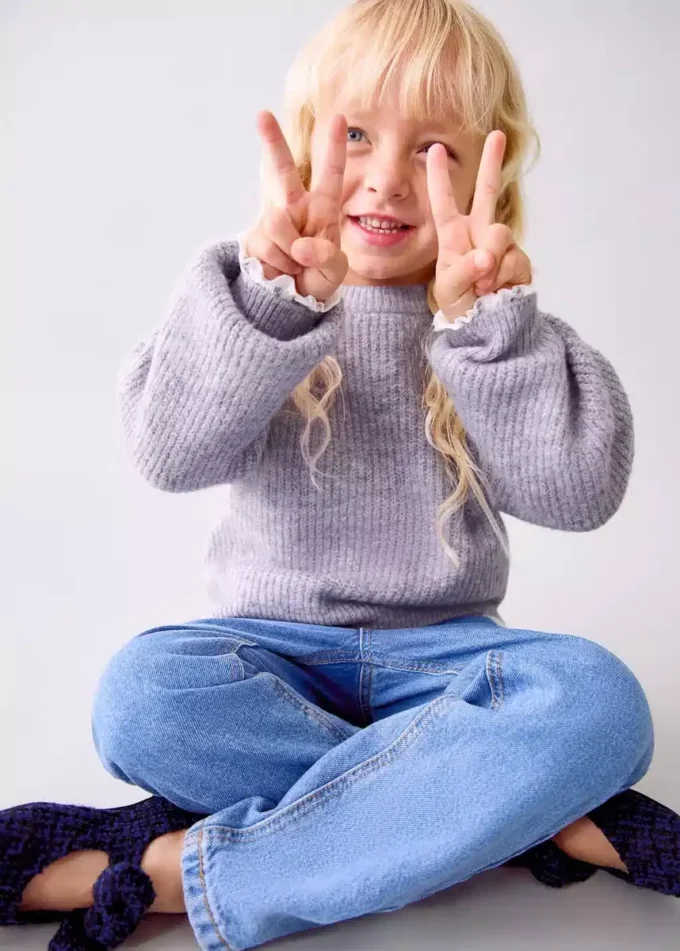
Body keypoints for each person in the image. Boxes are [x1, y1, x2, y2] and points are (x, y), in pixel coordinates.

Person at [2, 1, 679, 949]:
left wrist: (490, 335)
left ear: (489, 167)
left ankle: (182, 873)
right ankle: (505, 817)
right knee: (140, 697)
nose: (391, 179)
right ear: (310, 141)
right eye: (358, 134)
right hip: (268, 657)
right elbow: (165, 452)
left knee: (600, 699)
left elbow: (581, 494)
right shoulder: (253, 298)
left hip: (449, 668)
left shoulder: (495, 325)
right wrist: (270, 306)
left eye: (436, 149)